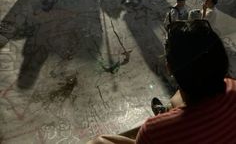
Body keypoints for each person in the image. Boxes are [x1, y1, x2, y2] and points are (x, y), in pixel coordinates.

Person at [87, 20, 236, 144]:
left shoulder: (154, 130)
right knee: (176, 99)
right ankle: (166, 110)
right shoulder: (232, 85)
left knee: (98, 142)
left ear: (169, 68)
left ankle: (165, 112)